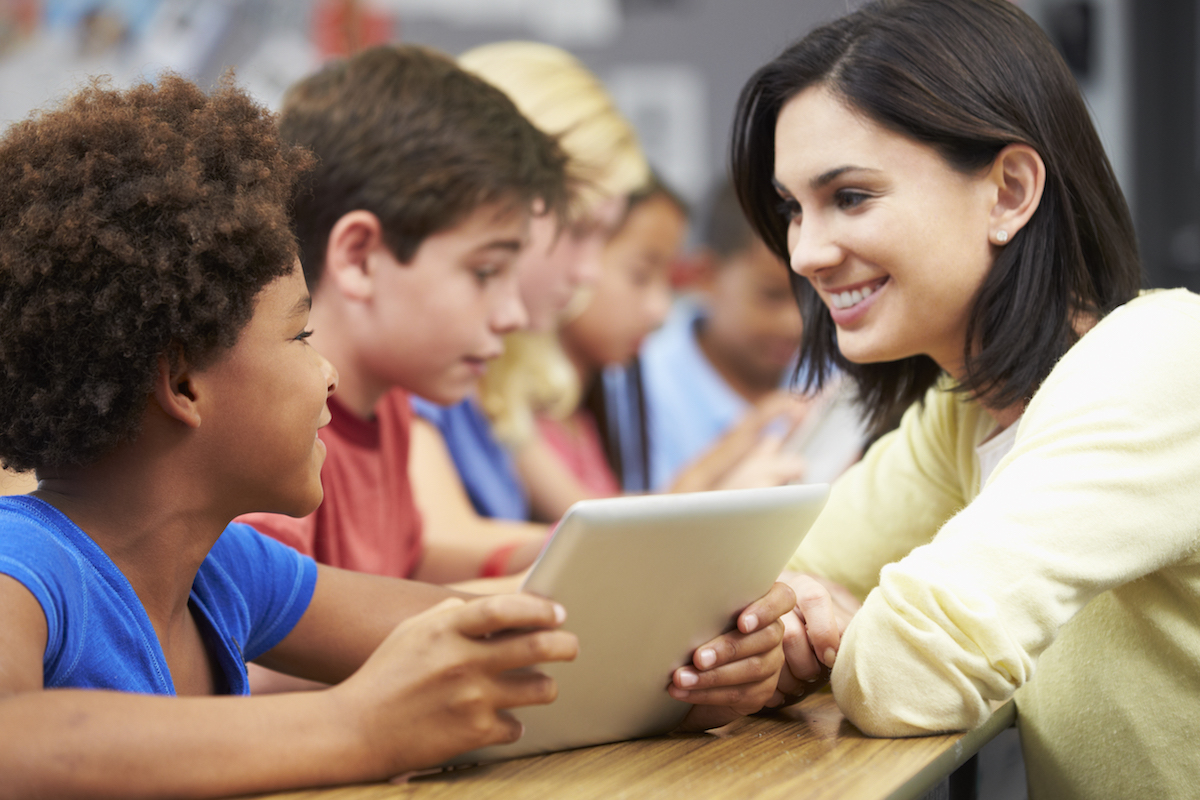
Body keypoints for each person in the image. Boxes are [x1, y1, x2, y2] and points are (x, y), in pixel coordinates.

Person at [0, 74, 794, 796]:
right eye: (301, 336)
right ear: (182, 383)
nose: (329, 374)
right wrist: (355, 727)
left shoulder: (228, 571)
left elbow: (508, 646)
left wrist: (696, 672)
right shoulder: (25, 561)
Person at [730, 0, 1200, 797]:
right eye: (790, 208)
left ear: (1010, 191)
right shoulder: (966, 413)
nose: (805, 252)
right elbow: (764, 590)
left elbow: (915, 670)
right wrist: (782, 631)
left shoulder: (1166, 362)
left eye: (849, 196)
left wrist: (840, 633)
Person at [238, 44, 562, 584]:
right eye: (485, 272)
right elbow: (260, 647)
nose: (513, 315)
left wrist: (563, 554)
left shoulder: (387, 404)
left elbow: (404, 567)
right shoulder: (271, 427)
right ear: (359, 257)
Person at [406, 40, 644, 563]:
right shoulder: (416, 362)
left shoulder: (498, 368)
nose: (588, 271)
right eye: (579, 229)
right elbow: (431, 542)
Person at [517, 179, 807, 521]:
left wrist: (746, 437)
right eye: (640, 276)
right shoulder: (520, 414)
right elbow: (600, 533)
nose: (661, 310)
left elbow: (636, 519)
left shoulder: (580, 412)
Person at [637, 178, 807, 491]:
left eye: (811, 296)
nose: (795, 323)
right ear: (706, 276)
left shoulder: (830, 368)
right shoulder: (644, 386)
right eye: (772, 295)